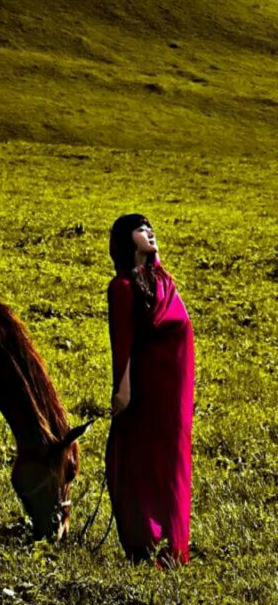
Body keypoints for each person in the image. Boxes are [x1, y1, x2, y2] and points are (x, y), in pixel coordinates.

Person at [105, 214, 194, 566]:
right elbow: (121, 343)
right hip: (143, 387)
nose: (150, 232)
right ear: (126, 240)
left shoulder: (161, 280)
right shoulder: (122, 288)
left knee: (169, 459)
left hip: (171, 390)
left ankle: (172, 544)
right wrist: (122, 391)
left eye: (150, 227)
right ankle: (145, 540)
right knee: (136, 459)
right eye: (141, 229)